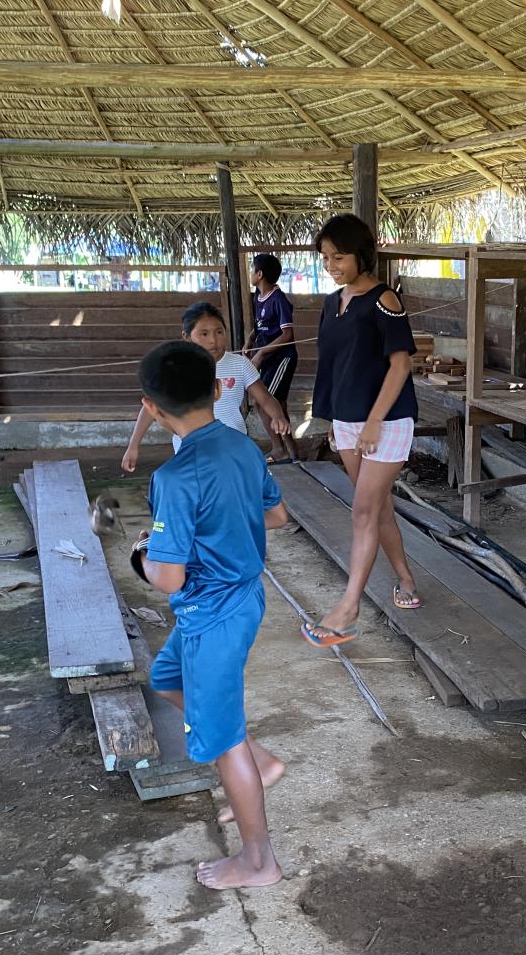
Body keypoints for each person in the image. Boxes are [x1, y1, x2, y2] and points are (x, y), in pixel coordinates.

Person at [131, 340, 291, 890]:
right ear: (220, 386)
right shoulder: (243, 448)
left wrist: (143, 556)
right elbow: (276, 515)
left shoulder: (174, 479)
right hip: (242, 596)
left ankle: (257, 861)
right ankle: (262, 765)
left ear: (151, 407)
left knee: (222, 739)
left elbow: (168, 578)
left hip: (211, 613)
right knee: (167, 677)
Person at [302, 214, 420, 647]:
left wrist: (372, 422)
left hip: (386, 422)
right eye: (326, 258)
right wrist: (336, 420)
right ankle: (406, 580)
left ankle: (348, 611)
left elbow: (401, 364)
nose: (332, 265)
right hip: (348, 422)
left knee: (363, 512)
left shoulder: (384, 299)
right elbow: (335, 368)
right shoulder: (333, 304)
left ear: (361, 253)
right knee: (378, 508)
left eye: (340, 256)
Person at [121, 301, 289, 474]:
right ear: (186, 337)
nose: (213, 340)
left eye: (219, 332)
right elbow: (150, 408)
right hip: (190, 450)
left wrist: (277, 416)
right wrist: (133, 445)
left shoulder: (240, 365)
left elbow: (266, 398)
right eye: (204, 333)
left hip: (235, 447)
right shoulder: (177, 369)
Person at [242, 253, 299, 464]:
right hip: (267, 358)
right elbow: (259, 326)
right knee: (277, 405)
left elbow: (287, 334)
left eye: (251, 269)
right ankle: (293, 452)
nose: (250, 273)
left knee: (262, 401)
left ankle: (279, 449)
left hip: (282, 358)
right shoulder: (257, 296)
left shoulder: (278, 299)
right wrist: (250, 341)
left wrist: (261, 352)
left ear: (260, 274)